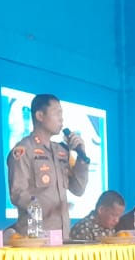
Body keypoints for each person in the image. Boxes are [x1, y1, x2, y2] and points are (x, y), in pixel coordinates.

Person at [6, 93, 90, 238]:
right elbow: (17, 193)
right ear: (40, 116)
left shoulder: (61, 151)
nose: (61, 119)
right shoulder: (24, 150)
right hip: (36, 237)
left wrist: (81, 158)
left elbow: (78, 189)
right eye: (57, 113)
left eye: (62, 114)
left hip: (62, 236)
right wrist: (46, 208)